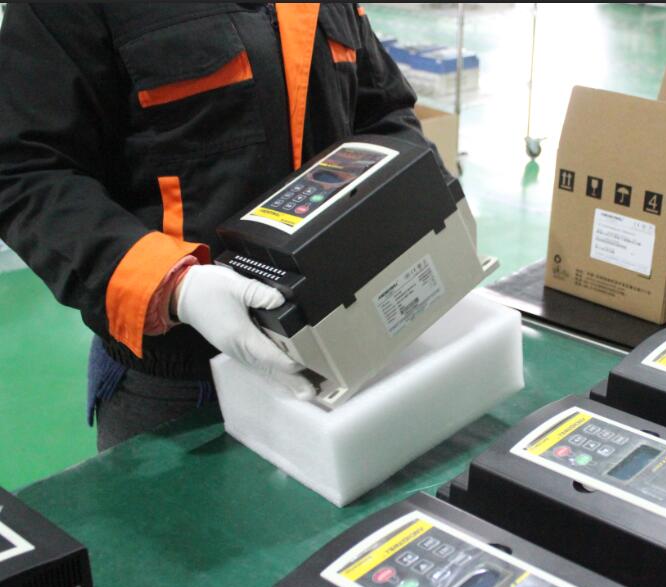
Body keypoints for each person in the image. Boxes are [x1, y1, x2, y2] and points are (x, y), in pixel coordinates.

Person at [0, 3, 443, 450]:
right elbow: (24, 169)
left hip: (349, 339)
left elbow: (381, 112)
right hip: (180, 389)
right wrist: (174, 287)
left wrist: (429, 203)